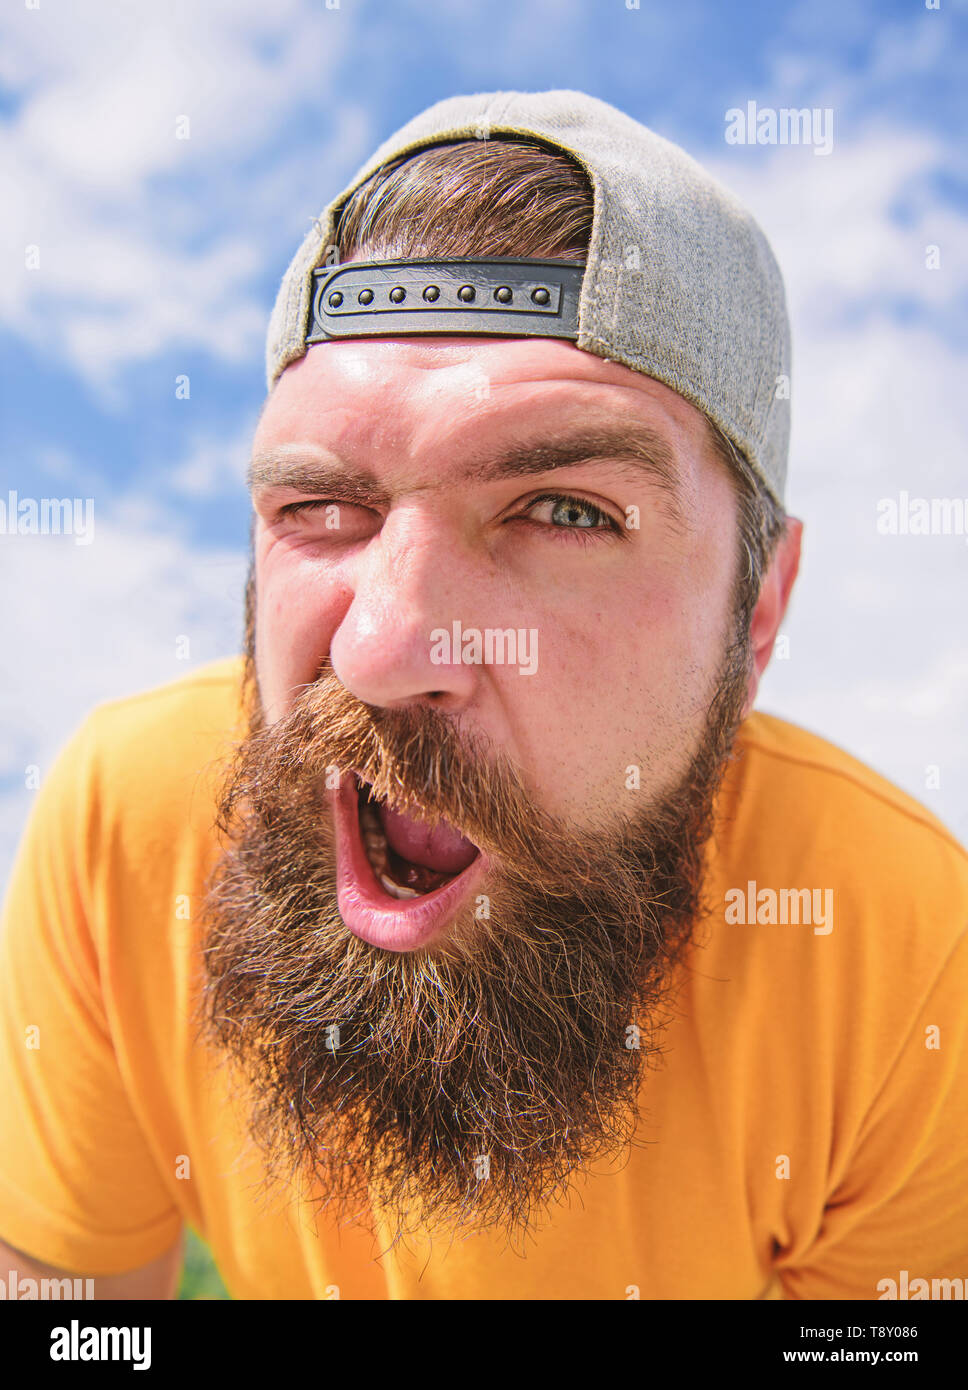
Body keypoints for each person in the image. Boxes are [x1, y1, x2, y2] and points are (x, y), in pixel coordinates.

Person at [1, 90, 965, 1301]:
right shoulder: (124, 827)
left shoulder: (900, 947)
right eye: (317, 507)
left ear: (756, 611)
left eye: (563, 510)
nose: (383, 647)